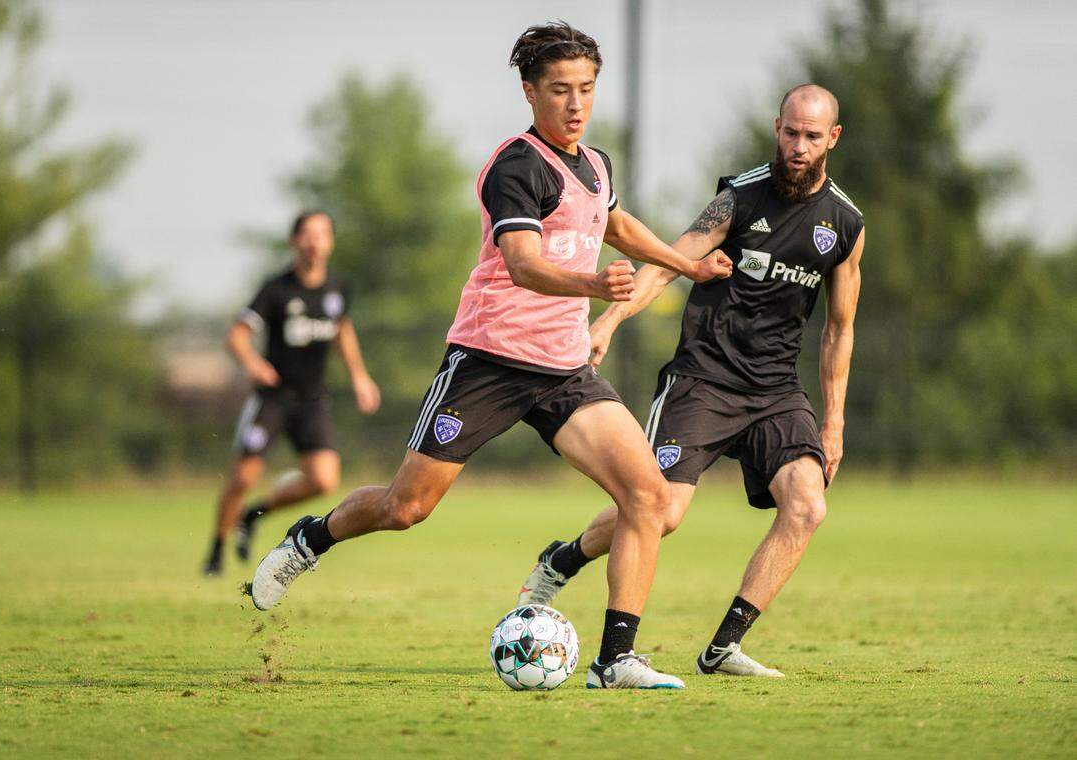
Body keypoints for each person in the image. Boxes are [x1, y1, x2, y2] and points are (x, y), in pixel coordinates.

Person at [248, 21, 732, 690]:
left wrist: (688, 264)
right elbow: (523, 264)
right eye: (560, 90)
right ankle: (310, 539)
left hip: (564, 370)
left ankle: (615, 659)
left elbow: (614, 225)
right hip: (490, 361)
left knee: (647, 497)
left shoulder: (595, 164)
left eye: (587, 89)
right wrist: (595, 283)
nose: (576, 104)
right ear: (530, 92)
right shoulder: (516, 165)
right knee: (405, 507)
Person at [518, 84, 865, 678]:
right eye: (789, 133)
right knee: (663, 512)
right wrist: (610, 322)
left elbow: (839, 330)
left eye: (812, 136)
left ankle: (723, 647)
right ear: (776, 127)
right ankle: (564, 558)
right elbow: (669, 262)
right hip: (702, 380)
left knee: (807, 506)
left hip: (777, 390)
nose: (798, 146)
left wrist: (832, 422)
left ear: (833, 138)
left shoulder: (847, 224)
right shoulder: (739, 198)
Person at [203, 211, 381, 575]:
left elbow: (342, 332)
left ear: (330, 242)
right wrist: (252, 363)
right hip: (273, 398)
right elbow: (236, 336)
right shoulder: (276, 289)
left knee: (324, 480)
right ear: (294, 241)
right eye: (308, 234)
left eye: (323, 233)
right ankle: (216, 552)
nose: (315, 241)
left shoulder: (337, 289)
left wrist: (360, 377)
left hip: (312, 400)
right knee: (243, 477)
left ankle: (254, 514)